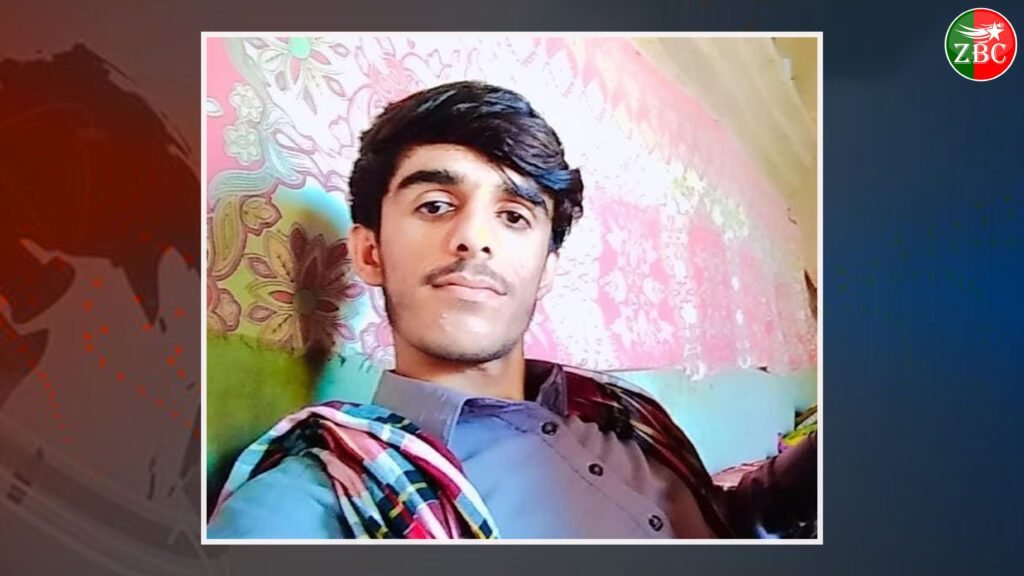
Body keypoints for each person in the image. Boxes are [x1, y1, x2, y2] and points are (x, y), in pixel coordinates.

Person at [207, 81, 817, 539]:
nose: (474, 239)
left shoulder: (623, 412)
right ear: (370, 253)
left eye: (514, 216)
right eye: (435, 205)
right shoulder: (321, 498)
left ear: (546, 270)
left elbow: (720, 521)